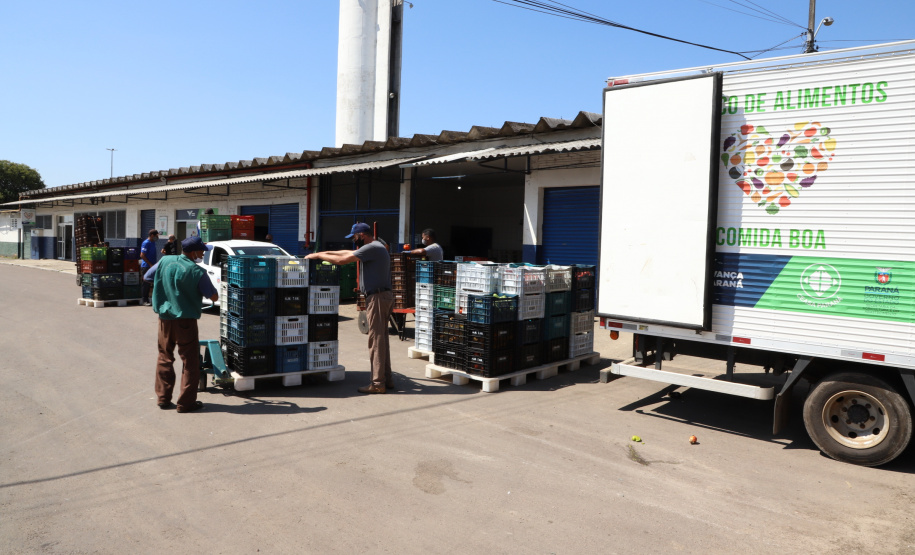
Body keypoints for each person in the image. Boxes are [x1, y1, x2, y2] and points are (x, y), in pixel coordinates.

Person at [306, 222, 393, 394]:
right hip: (382, 296)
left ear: (362, 235)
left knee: (375, 340)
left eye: (354, 237)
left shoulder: (372, 247)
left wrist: (318, 257)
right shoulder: (375, 247)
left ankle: (377, 384)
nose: (353, 240)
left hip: (377, 297)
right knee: (381, 339)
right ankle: (386, 379)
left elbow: (342, 260)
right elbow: (347, 253)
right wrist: (320, 254)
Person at [144, 236, 219, 413]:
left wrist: (165, 287)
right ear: (193, 252)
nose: (202, 254)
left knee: (164, 357)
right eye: (201, 251)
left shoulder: (165, 261)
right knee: (190, 361)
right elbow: (213, 297)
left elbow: (147, 276)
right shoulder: (197, 271)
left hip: (165, 319)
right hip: (185, 320)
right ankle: (186, 403)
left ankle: (163, 398)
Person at [139, 229, 159, 306]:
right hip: (147, 266)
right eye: (156, 236)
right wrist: (150, 264)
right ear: (152, 235)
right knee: (146, 283)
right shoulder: (146, 243)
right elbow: (142, 255)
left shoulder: (153, 242)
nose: (157, 237)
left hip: (153, 266)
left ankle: (153, 299)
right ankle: (145, 300)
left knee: (155, 282)